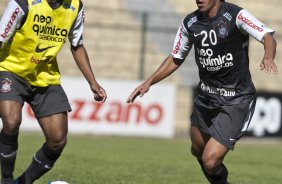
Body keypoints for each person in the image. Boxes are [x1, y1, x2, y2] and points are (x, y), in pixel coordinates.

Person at [127, 0, 277, 183]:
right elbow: (176, 57)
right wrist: (148, 82)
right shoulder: (190, 23)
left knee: (210, 160)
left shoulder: (237, 15)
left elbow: (267, 36)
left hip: (235, 100)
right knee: (197, 150)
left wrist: (268, 57)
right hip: (206, 97)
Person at [0, 0, 107, 183]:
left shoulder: (75, 6)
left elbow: (77, 45)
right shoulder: (23, 3)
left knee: (57, 140)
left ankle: (22, 182)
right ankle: (7, 180)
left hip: (46, 77)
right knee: (11, 122)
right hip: (10, 70)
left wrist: (93, 82)